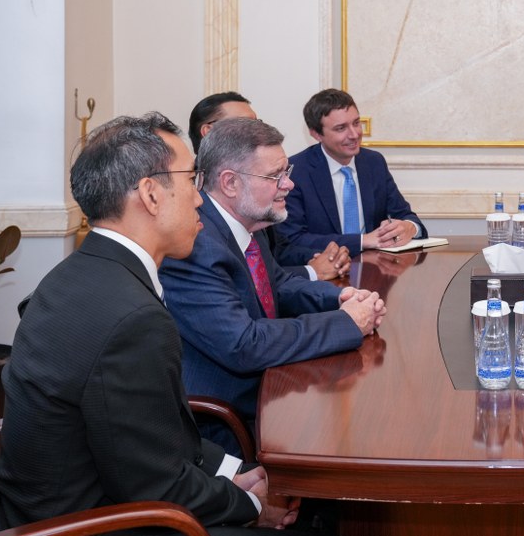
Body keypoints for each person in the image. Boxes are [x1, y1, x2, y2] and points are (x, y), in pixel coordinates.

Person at [0, 113, 372, 536]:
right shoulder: (131, 317)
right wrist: (249, 503)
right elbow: (156, 484)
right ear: (150, 195)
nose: (199, 197)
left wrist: (230, 474)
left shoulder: (78, 275)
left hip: (63, 532)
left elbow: (144, 439)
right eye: (191, 179)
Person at [159, 117, 387, 452]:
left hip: (271, 389)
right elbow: (244, 344)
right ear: (230, 183)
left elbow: (276, 284)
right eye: (275, 176)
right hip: (227, 425)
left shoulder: (250, 223)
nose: (289, 184)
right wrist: (346, 323)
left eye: (286, 171)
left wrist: (339, 297)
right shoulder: (197, 245)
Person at [188, 91, 351, 280]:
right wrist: (313, 271)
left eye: (257, 123)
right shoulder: (194, 208)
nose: (256, 130)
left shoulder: (254, 194)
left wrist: (328, 259)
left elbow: (276, 254)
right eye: (245, 124)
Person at [274, 88, 428, 265]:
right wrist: (363, 241)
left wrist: (410, 227)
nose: (354, 135)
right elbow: (293, 239)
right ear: (316, 134)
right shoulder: (296, 171)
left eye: (356, 123)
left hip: (375, 269)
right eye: (341, 128)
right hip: (325, 273)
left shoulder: (374, 162)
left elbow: (405, 214)